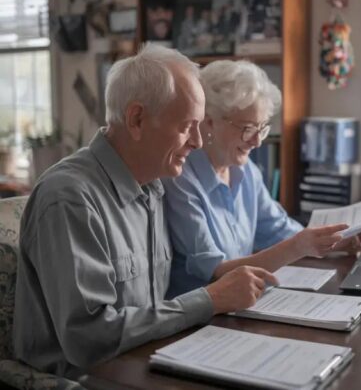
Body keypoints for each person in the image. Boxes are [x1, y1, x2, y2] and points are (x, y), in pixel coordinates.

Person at [14, 44, 275, 379]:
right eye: (187, 126)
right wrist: (208, 299)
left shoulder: (153, 186)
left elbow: (152, 310)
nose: (198, 141)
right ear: (137, 119)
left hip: (151, 365)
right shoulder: (70, 198)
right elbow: (89, 339)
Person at [162, 60, 361, 298]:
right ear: (209, 122)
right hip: (198, 320)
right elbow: (216, 273)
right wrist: (299, 246)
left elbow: (279, 230)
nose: (257, 142)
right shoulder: (180, 179)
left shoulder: (247, 170)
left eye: (261, 128)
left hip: (240, 309)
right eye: (248, 128)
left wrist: (336, 242)